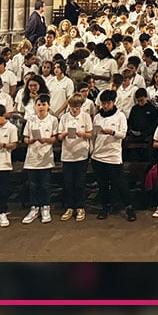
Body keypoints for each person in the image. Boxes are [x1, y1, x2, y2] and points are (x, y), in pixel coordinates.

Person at [92, 89, 135, 222]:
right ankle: (105, 206)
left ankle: (128, 207)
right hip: (98, 155)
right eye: (103, 103)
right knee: (102, 184)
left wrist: (112, 132)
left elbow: (123, 134)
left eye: (108, 103)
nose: (105, 106)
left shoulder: (120, 116)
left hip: (113, 156)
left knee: (120, 183)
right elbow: (94, 135)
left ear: (113, 102)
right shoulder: (97, 117)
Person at [21, 93, 58, 224]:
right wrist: (29, 140)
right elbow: (25, 137)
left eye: (43, 104)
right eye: (39, 105)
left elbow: (55, 138)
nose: (41, 107)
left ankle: (45, 207)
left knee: (45, 184)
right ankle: (34, 207)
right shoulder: (31, 120)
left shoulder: (53, 120)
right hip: (32, 157)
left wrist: (46, 140)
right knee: (33, 185)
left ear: (48, 106)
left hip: (46, 157)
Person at [57, 93, 92, 221]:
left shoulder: (86, 117)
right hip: (67, 154)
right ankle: (70, 207)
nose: (74, 109)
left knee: (79, 182)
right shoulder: (64, 118)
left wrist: (82, 134)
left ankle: (80, 207)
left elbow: (90, 134)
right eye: (72, 107)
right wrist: (65, 133)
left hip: (81, 154)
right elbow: (59, 137)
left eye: (77, 107)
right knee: (68, 182)